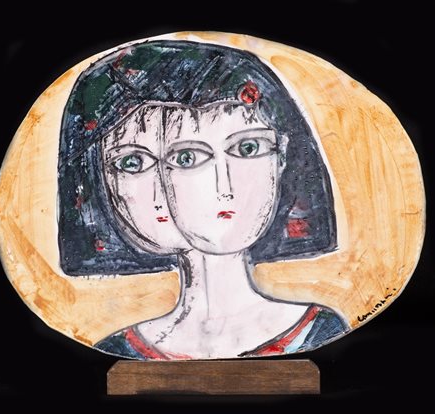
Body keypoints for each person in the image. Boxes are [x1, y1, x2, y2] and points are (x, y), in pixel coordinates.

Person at [58, 40, 349, 359]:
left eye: (248, 148)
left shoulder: (320, 332)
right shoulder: (118, 352)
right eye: (135, 162)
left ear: (283, 158)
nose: (224, 186)